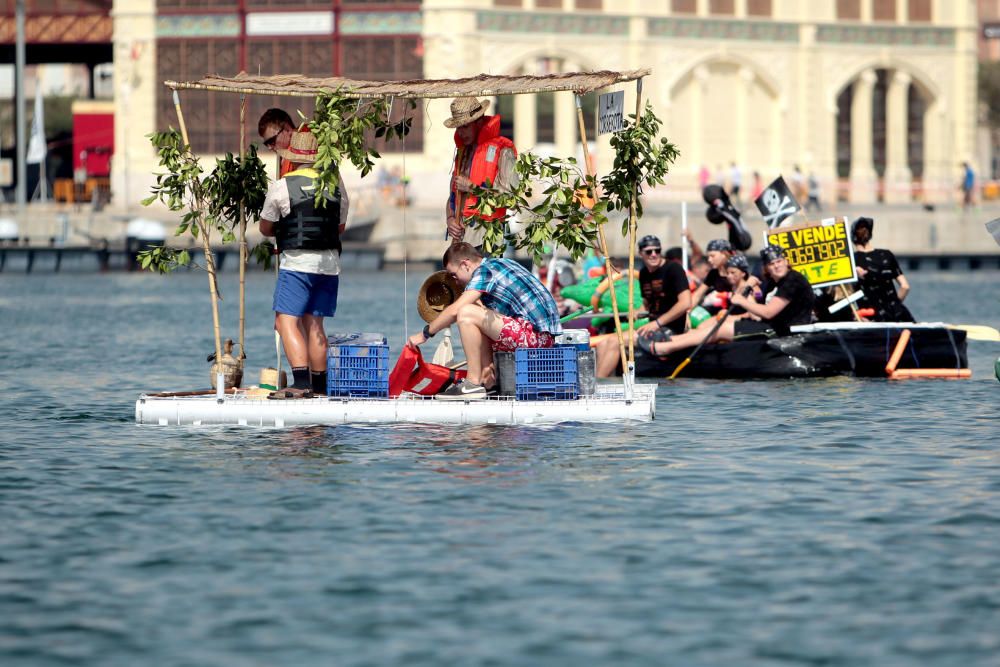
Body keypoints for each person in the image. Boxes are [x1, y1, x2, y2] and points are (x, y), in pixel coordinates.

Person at [258, 129, 350, 398]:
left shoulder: (282, 185)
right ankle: (320, 386)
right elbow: (340, 226)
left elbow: (266, 227)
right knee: (315, 324)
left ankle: (300, 383)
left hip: (298, 263)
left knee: (285, 322)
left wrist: (288, 231)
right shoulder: (335, 183)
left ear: (293, 157)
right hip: (329, 264)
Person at [407, 242, 562, 400]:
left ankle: (473, 383)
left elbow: (456, 310)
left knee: (465, 312)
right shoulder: (496, 265)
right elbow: (482, 318)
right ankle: (488, 382)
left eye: (454, 275)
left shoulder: (485, 271)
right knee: (474, 312)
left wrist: (425, 334)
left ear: (465, 264)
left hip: (536, 337)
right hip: (535, 335)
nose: (455, 281)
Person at [639, 244, 815, 357]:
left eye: (779, 261)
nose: (777, 265)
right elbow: (763, 307)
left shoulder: (793, 280)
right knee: (712, 325)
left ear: (786, 262)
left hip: (781, 331)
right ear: (766, 267)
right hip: (767, 324)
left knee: (721, 329)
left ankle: (667, 348)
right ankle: (672, 343)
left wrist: (742, 301)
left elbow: (769, 312)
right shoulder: (775, 281)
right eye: (772, 264)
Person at [594, 235, 691, 377]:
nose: (654, 254)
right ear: (641, 254)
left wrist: (658, 323)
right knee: (603, 343)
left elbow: (686, 303)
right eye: (649, 252)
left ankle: (597, 386)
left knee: (615, 342)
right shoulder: (645, 273)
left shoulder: (673, 269)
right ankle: (607, 384)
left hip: (670, 330)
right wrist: (636, 310)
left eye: (657, 251)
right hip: (653, 328)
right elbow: (648, 303)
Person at [444, 97, 517, 242]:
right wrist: (450, 218)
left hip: (486, 237)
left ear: (479, 122)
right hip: (460, 239)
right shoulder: (462, 152)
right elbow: (452, 196)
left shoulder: (503, 151)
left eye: (465, 126)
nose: (460, 133)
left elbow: (510, 198)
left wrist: (472, 188)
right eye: (458, 127)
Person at [851, 216, 914, 322]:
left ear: (852, 238)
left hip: (870, 317)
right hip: (898, 314)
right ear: (870, 235)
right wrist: (894, 306)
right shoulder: (887, 255)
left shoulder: (851, 261)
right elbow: (905, 287)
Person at [689, 238, 735, 314]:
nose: (709, 260)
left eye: (712, 256)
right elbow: (697, 295)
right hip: (719, 311)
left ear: (723, 254)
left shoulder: (737, 270)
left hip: (735, 312)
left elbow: (755, 293)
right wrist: (687, 312)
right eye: (708, 256)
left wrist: (727, 295)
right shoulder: (713, 273)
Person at [258, 108, 297, 177]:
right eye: (266, 143)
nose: (269, 147)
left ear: (288, 130)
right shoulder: (283, 157)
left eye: (271, 141)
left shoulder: (305, 154)